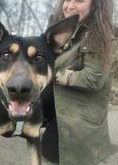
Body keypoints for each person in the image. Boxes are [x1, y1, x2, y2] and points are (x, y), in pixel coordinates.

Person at [41, 0, 118, 164]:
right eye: (67, 0)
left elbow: (92, 79)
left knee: (49, 152)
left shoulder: (101, 34)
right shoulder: (64, 28)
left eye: (80, 1)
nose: (70, 6)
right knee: (22, 107)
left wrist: (52, 73)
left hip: (81, 108)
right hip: (60, 96)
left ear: (96, 5)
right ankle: (49, 120)